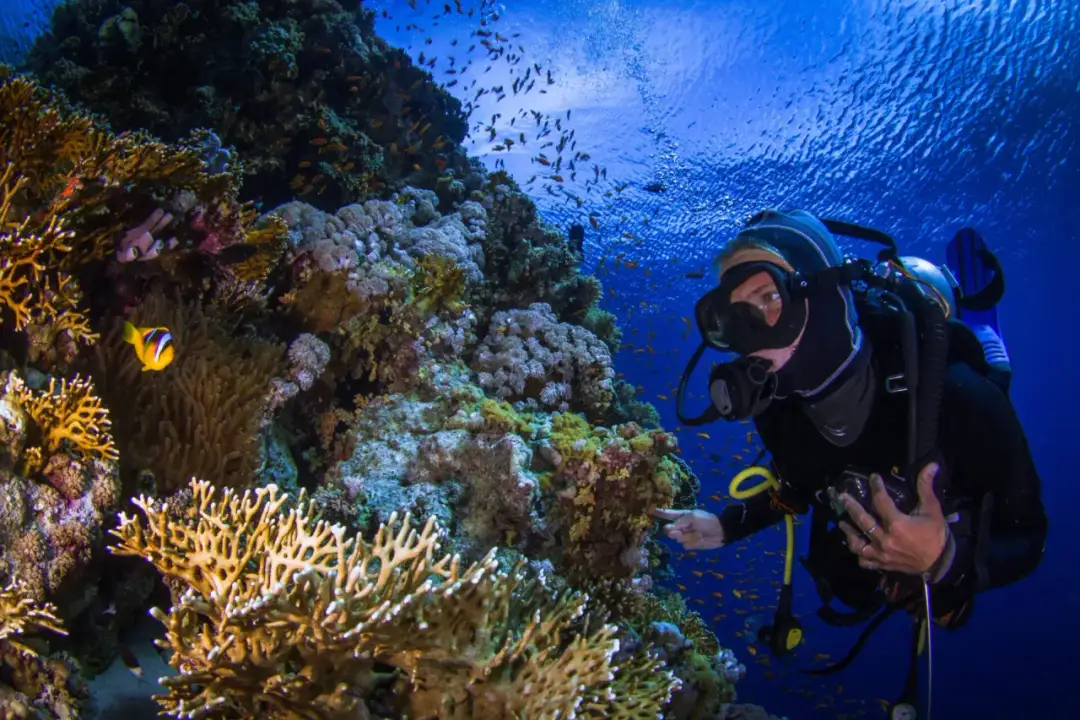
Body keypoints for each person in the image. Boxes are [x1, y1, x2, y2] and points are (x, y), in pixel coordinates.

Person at [656, 209, 1047, 714]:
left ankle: (985, 333)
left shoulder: (959, 397)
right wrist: (726, 526)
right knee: (848, 585)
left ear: (822, 294)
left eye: (768, 298)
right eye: (731, 319)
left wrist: (948, 561)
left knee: (994, 376)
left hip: (955, 448)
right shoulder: (778, 412)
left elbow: (1030, 536)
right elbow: (798, 483)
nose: (750, 336)